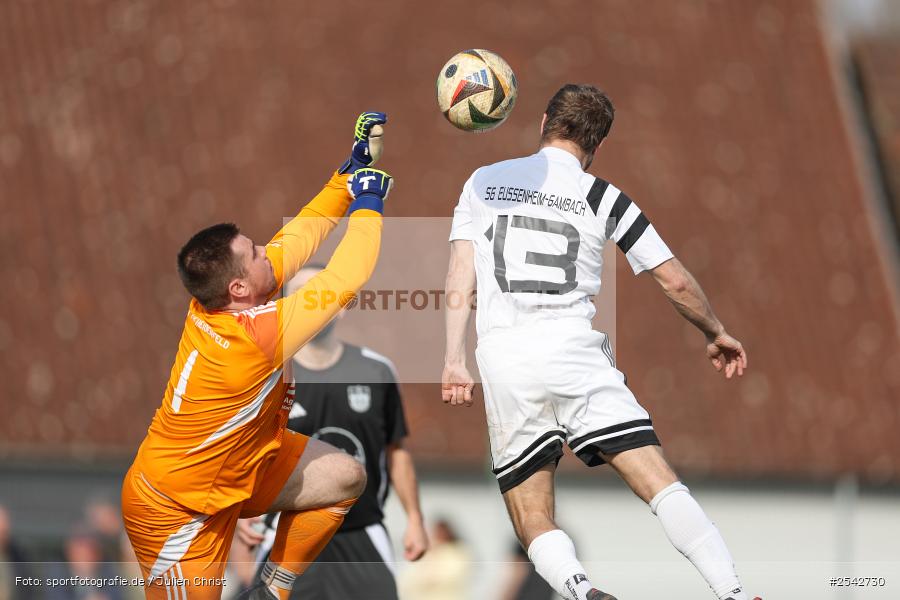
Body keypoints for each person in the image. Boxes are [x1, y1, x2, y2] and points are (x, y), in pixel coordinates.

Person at [441, 84, 759, 600]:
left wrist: (454, 359)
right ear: (598, 144)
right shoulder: (603, 196)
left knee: (531, 514)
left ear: (544, 120)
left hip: (505, 359)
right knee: (659, 483)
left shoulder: (483, 182)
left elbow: (460, 274)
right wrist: (715, 331)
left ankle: (581, 591)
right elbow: (674, 280)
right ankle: (735, 593)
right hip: (574, 354)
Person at [121, 112, 394, 600]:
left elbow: (296, 241)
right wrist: (370, 204)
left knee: (345, 475)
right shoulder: (256, 336)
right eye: (256, 252)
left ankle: (273, 590)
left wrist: (347, 178)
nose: (270, 250)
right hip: (177, 510)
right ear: (240, 286)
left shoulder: (222, 300)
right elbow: (344, 279)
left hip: (242, 467)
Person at [234, 264, 428, 599]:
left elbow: (396, 451)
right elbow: (240, 450)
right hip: (286, 533)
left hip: (361, 535)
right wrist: (235, 511)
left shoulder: (376, 370)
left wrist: (414, 518)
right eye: (301, 296)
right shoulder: (266, 375)